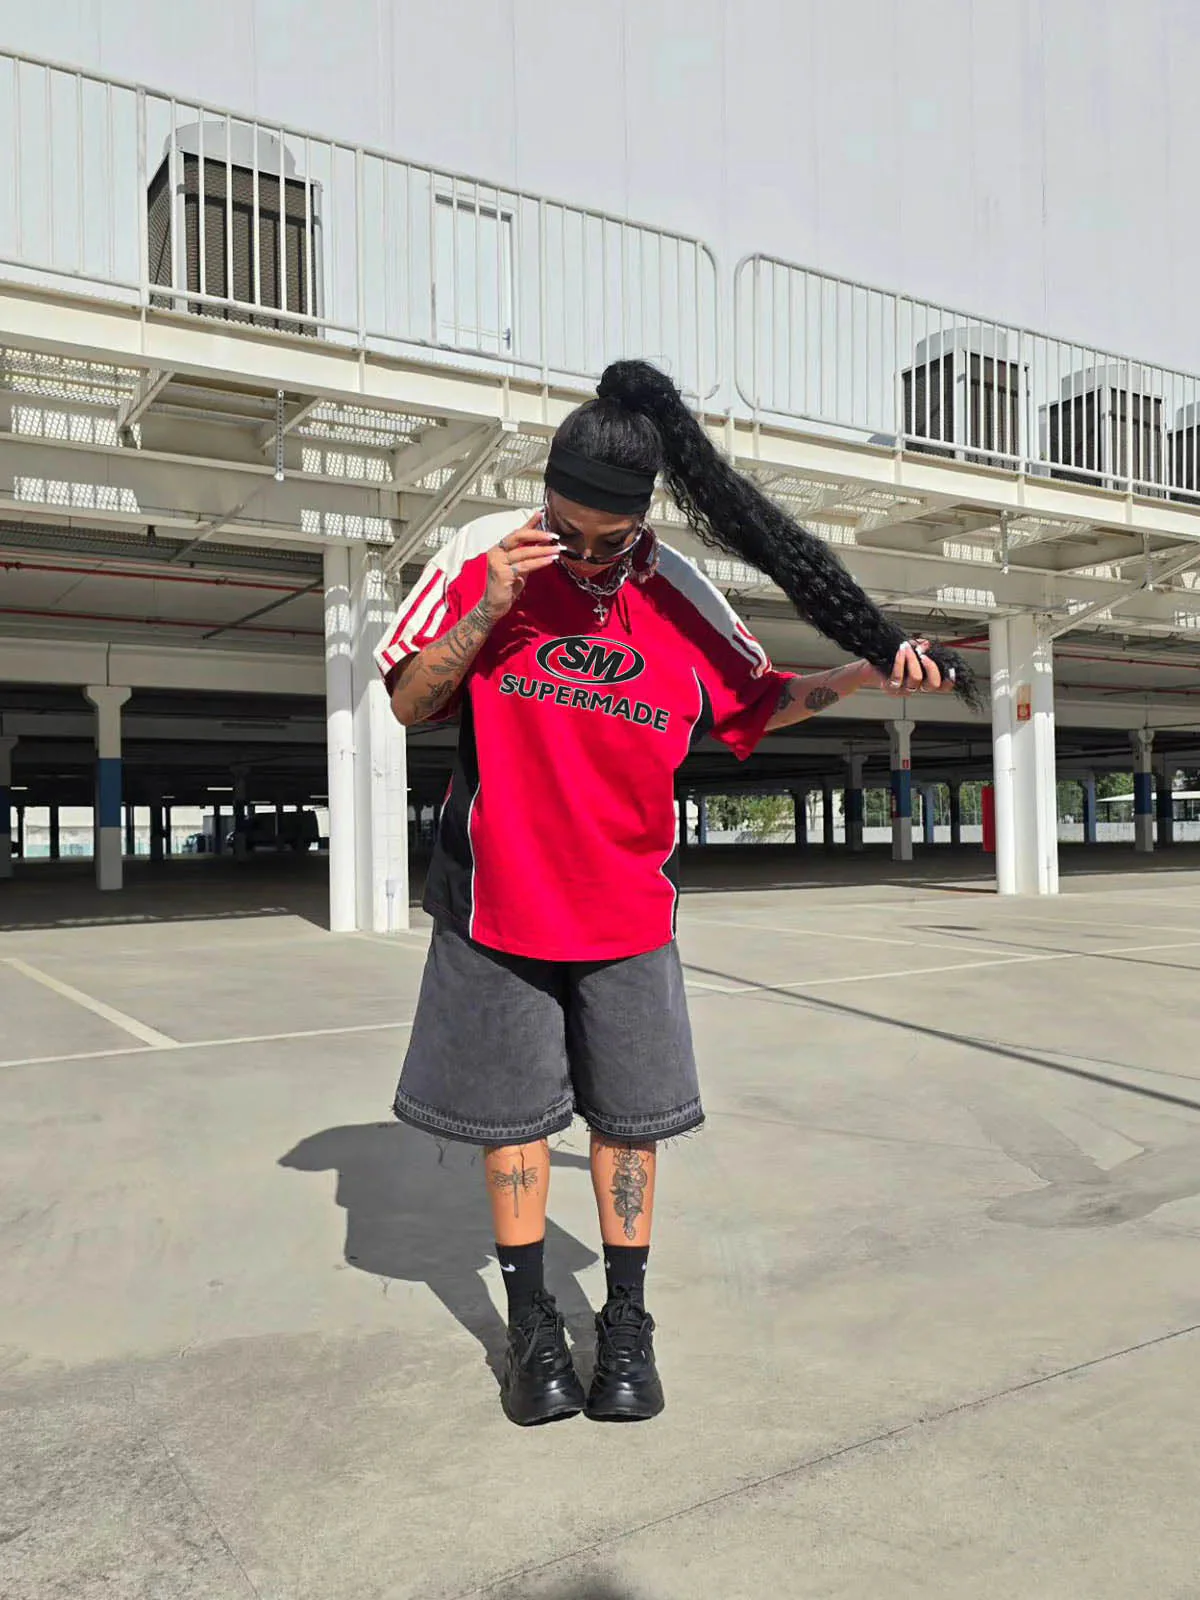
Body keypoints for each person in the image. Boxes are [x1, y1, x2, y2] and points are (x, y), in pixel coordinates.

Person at [376, 359, 955, 1427]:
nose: (586, 557)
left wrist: (863, 674)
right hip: (496, 905)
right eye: (568, 531)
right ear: (545, 494)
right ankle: (531, 1327)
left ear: (643, 520)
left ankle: (627, 1322)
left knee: (628, 1126)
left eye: (611, 540)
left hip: (628, 913)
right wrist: (492, 604)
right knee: (512, 1124)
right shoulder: (482, 556)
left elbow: (756, 704)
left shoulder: (676, 591)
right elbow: (411, 701)